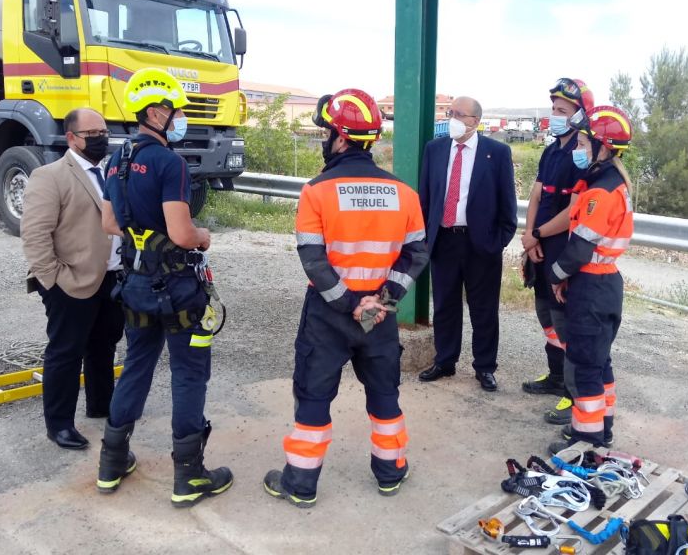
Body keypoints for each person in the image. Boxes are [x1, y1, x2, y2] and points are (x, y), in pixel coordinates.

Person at [263, 88, 429, 508]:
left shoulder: (316, 191)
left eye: (327, 133)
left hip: (329, 314)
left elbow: (313, 260)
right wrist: (384, 300)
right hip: (380, 315)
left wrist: (348, 303)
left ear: (339, 136)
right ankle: (391, 472)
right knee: (385, 395)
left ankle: (301, 483)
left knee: (314, 395)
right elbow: (416, 253)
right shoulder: (404, 193)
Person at [96, 68, 232, 508]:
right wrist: (202, 235)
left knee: (137, 364)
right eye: (174, 112)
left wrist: (143, 240)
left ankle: (112, 462)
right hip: (178, 291)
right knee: (189, 373)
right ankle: (189, 476)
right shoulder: (167, 161)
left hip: (135, 286)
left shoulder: (114, 159)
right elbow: (181, 232)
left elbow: (109, 223)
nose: (178, 120)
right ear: (156, 112)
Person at [21, 107, 124, 450]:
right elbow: (35, 235)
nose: (100, 139)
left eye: (103, 132)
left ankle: (101, 405)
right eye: (92, 134)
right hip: (69, 282)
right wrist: (53, 280)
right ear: (71, 138)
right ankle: (60, 424)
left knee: (103, 345)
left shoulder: (109, 172)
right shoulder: (50, 176)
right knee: (66, 352)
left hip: (110, 278)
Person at [546, 105, 634, 454]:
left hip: (591, 287)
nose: (579, 149)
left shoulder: (601, 193)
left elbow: (579, 250)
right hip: (606, 285)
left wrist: (554, 277)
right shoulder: (611, 183)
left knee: (584, 367)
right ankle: (604, 427)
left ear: (604, 147)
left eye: (583, 142)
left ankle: (587, 440)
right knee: (599, 363)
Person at [417, 96, 517, 391]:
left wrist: (495, 244)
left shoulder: (496, 153)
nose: (453, 118)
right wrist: (424, 235)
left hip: (480, 245)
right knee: (445, 306)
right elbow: (425, 199)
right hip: (444, 240)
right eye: (451, 113)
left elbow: (507, 208)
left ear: (475, 121)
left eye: (459, 114)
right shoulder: (434, 150)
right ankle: (445, 361)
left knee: (484, 310)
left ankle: (485, 367)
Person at [519, 79, 594, 430]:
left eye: (562, 111)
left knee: (565, 324)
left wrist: (537, 234)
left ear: (580, 114)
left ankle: (573, 392)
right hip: (540, 246)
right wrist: (529, 238)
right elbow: (537, 196)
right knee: (546, 317)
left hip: (562, 249)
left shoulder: (582, 156)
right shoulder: (550, 152)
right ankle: (555, 377)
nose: (555, 116)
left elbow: (574, 210)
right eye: (553, 109)